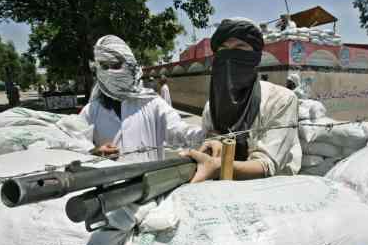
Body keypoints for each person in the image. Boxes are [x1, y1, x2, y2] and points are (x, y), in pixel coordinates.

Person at [183, 17, 302, 182]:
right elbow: (211, 138)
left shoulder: (281, 100)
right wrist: (214, 143)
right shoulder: (212, 107)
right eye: (223, 49)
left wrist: (219, 167)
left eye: (240, 47)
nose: (230, 56)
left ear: (256, 56)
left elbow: (266, 165)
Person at [80, 35, 204, 162]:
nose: (110, 72)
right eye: (105, 67)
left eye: (116, 66)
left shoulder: (152, 104)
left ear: (130, 66)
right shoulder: (92, 110)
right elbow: (72, 140)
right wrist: (93, 151)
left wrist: (208, 137)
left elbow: (180, 130)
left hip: (149, 180)